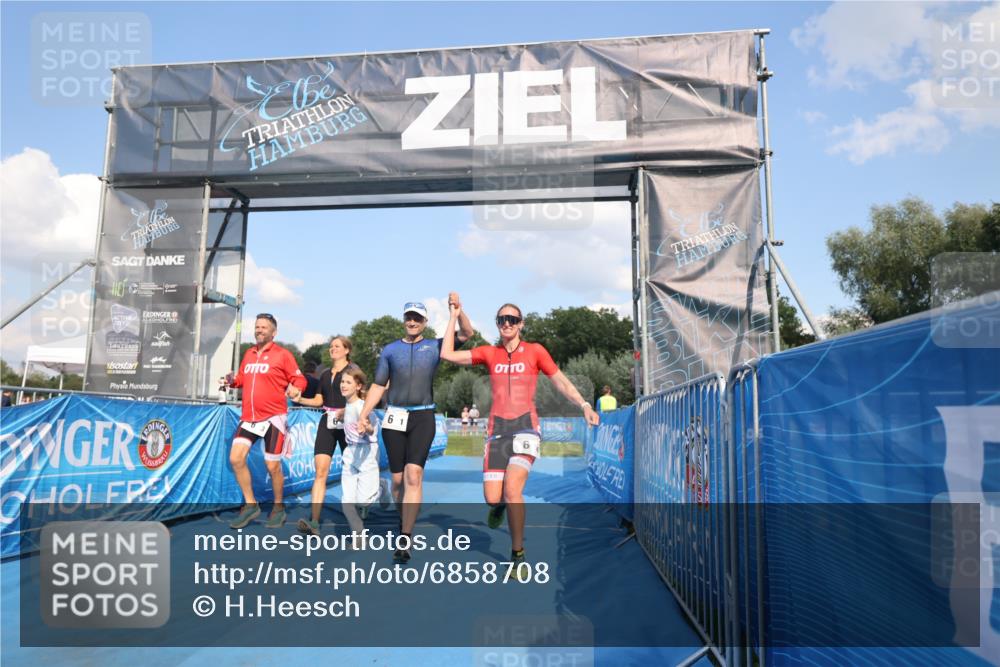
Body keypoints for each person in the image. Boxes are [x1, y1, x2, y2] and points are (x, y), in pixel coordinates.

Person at [441, 302, 599, 576]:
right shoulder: (489, 353)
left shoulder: (535, 351)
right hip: (498, 430)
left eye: (513, 319)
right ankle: (498, 505)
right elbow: (446, 354)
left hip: (526, 427)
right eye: (502, 319)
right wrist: (456, 315)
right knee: (493, 497)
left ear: (521, 323)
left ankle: (517, 554)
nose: (507, 323)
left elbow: (560, 381)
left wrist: (584, 404)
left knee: (513, 488)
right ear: (498, 323)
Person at [358, 294, 473, 563]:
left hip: (423, 417)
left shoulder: (435, 346)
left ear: (424, 322)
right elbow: (377, 385)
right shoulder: (389, 350)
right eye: (408, 317)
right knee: (398, 481)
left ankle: (406, 537)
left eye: (417, 318)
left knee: (414, 475)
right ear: (404, 320)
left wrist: (457, 312)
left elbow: (467, 333)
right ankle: (404, 518)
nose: (412, 321)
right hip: (394, 417)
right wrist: (364, 414)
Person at [225, 313, 307, 530]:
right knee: (236, 458)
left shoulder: (283, 355)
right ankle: (251, 505)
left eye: (264, 327)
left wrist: (296, 387)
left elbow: (299, 378)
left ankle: (278, 508)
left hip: (273, 417)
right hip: (249, 418)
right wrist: (231, 380)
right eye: (257, 326)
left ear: (274, 332)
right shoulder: (249, 354)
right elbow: (242, 378)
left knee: (272, 465)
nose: (259, 330)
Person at [293, 336, 353, 534]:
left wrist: (352, 412)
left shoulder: (354, 372)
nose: (332, 349)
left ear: (347, 350)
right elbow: (319, 400)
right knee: (320, 472)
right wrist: (300, 398)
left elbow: (361, 398)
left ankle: (364, 502)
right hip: (327, 422)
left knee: (353, 470)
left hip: (348, 424)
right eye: (331, 346)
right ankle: (315, 522)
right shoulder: (325, 374)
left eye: (337, 346)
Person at [339, 365, 382, 548]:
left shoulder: (363, 407)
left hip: (367, 454)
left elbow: (373, 428)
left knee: (364, 501)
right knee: (347, 502)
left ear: (358, 386)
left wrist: (367, 428)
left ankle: (382, 487)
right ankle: (359, 536)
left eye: (348, 382)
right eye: (342, 381)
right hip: (350, 453)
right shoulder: (346, 407)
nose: (343, 385)